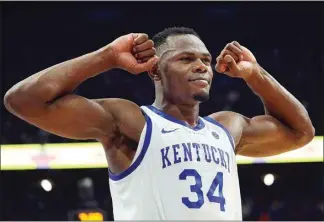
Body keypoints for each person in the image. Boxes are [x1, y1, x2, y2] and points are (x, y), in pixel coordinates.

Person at [4, 27, 314, 220]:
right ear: (155, 72)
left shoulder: (227, 128)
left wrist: (255, 74)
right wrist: (107, 56)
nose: (201, 66)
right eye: (185, 59)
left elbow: (301, 132)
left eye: (206, 60)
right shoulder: (132, 121)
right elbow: (22, 101)